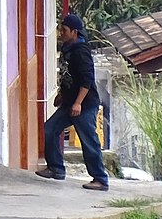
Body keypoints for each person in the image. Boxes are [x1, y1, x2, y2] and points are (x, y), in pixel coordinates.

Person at [35, 13, 110, 191]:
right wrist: (63, 95)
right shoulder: (68, 48)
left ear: (74, 32)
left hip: (84, 104)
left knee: (89, 141)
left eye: (65, 30)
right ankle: (56, 168)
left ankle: (100, 179)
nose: (61, 32)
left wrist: (77, 103)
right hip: (70, 102)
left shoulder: (81, 52)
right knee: (50, 129)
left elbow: (86, 80)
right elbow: (68, 76)